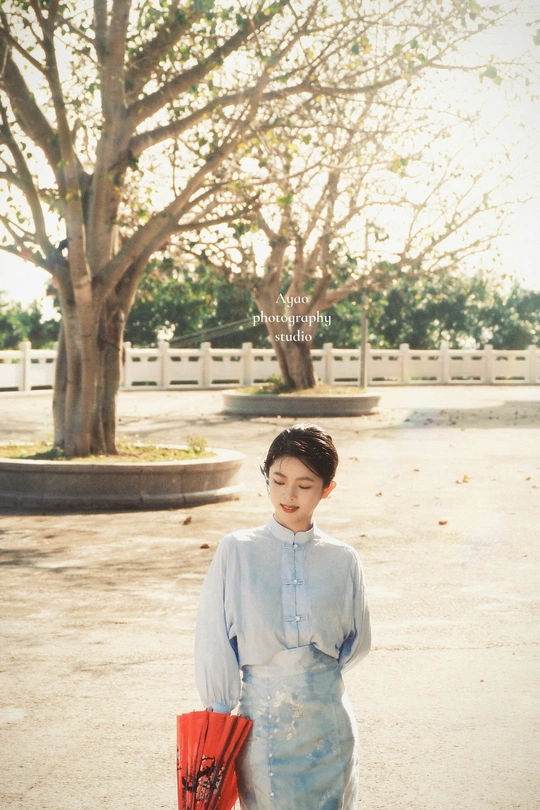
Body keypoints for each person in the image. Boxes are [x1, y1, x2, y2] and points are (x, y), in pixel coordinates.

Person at [194, 423, 371, 810]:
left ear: (327, 489)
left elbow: (358, 644)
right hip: (263, 732)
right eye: (278, 480)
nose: (288, 495)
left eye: (305, 485)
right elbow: (214, 640)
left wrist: (314, 677)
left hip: (330, 733)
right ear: (267, 479)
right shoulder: (236, 551)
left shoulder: (343, 559)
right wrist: (220, 714)